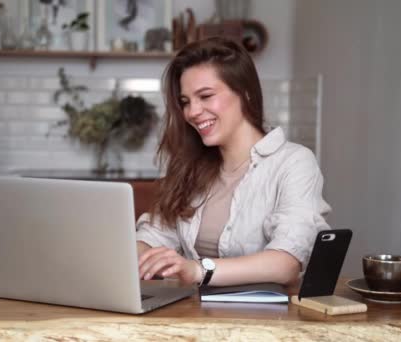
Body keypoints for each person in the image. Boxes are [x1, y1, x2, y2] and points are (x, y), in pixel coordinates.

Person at [136, 37, 331, 288]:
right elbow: (153, 236)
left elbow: (287, 263)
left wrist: (197, 270)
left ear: (245, 93)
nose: (192, 112)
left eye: (205, 96)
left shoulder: (294, 162)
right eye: (185, 102)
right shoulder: (191, 166)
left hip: (264, 321)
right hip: (193, 315)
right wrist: (137, 253)